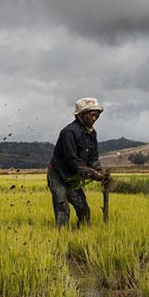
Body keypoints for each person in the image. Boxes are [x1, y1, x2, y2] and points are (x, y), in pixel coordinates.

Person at [47, 97, 109, 227]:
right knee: (63, 210)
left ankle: (83, 235)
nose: (94, 119)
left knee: (83, 209)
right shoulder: (69, 132)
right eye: (92, 115)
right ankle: (60, 237)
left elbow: (93, 157)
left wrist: (98, 170)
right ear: (81, 114)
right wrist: (92, 172)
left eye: (97, 116)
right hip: (59, 175)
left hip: (74, 176)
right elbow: (72, 160)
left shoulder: (92, 134)